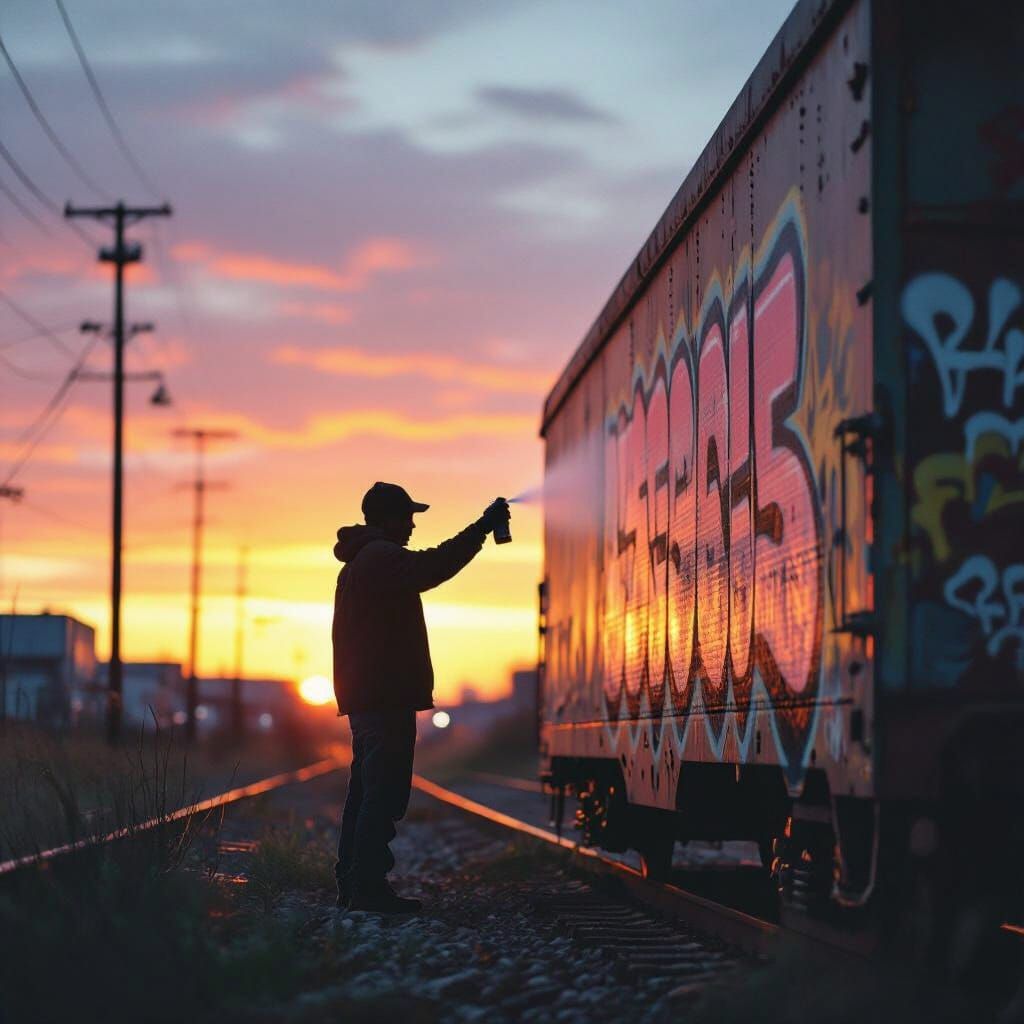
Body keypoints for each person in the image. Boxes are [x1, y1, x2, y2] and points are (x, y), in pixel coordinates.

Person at [332, 482, 510, 913]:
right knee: (382, 793)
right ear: (388, 519)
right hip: (384, 696)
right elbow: (433, 566)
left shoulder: (364, 558)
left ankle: (355, 885)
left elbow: (424, 566)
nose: (412, 525)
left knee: (366, 792)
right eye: (407, 517)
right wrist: (481, 529)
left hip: (372, 696)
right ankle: (368, 889)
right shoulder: (379, 557)